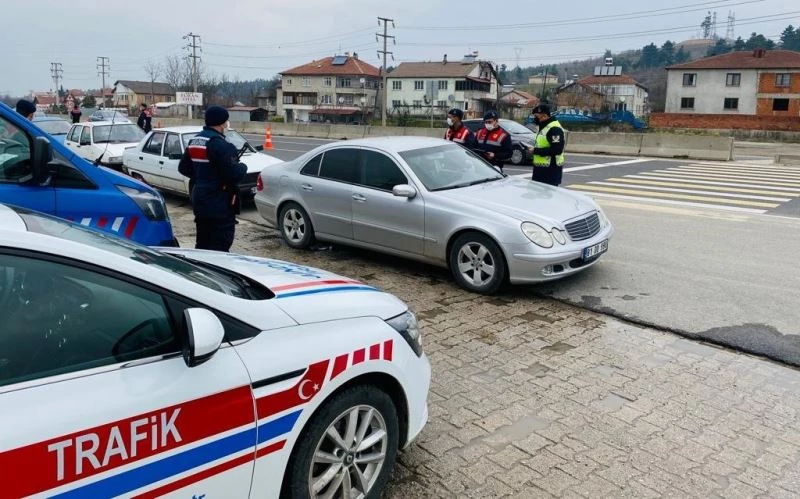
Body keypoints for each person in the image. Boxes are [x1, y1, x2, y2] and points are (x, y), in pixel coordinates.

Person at [178, 106, 247, 252]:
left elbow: (183, 168)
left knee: (202, 244)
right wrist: (243, 167)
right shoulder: (222, 146)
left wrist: (203, 177)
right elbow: (234, 175)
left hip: (200, 201)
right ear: (222, 123)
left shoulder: (195, 141)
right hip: (220, 204)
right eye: (226, 121)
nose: (227, 124)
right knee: (220, 247)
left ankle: (198, 273)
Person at [527, 104, 566, 186]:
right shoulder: (544, 127)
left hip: (550, 172)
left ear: (544, 116)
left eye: (537, 116)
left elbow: (557, 150)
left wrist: (535, 150)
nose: (535, 119)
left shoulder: (554, 129)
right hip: (541, 171)